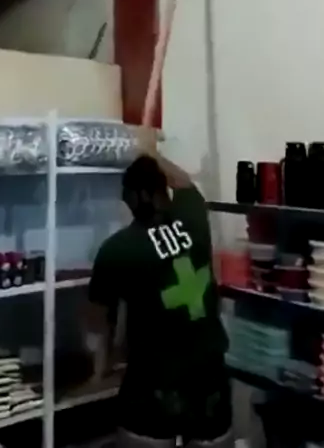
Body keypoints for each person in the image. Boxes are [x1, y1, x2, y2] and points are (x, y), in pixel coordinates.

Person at [85, 146, 231, 448]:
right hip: (210, 382)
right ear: (163, 190)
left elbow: (98, 323)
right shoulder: (193, 217)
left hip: (155, 386)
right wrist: (150, 151)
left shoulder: (117, 249)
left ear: (131, 197)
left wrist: (99, 373)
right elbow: (184, 181)